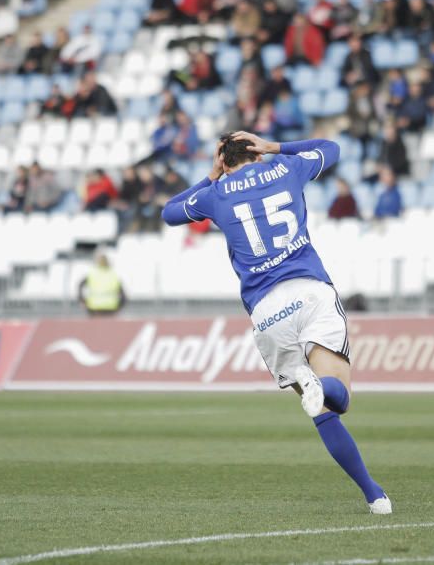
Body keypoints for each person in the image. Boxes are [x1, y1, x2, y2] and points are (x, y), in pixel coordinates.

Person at [161, 132, 391, 514]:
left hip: (268, 313)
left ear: (223, 158)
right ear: (253, 150)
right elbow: (333, 148)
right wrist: (276, 147)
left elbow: (170, 211)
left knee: (322, 413)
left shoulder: (215, 195)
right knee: (340, 396)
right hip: (309, 289)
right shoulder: (285, 167)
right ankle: (370, 489)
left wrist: (211, 176)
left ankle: (374, 495)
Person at [78, 251, 126, 315]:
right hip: (111, 308)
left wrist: (82, 301)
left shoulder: (92, 274)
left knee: (94, 325)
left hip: (94, 308)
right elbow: (123, 295)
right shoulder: (114, 275)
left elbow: (80, 286)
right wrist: (119, 307)